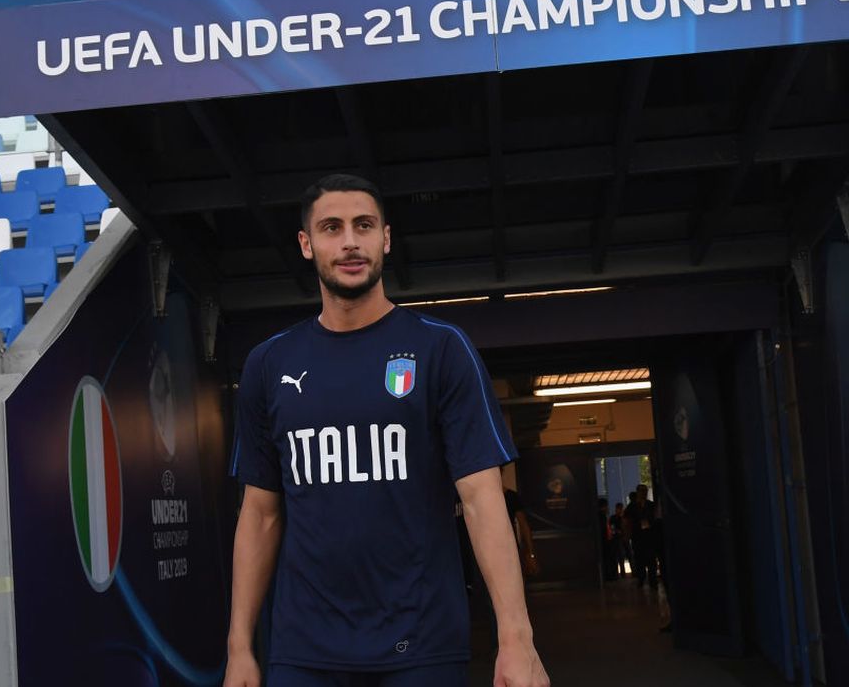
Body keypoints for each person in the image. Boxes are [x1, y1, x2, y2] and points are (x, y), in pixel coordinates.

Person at [225, 174, 549, 687]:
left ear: (386, 238)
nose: (350, 241)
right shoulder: (269, 365)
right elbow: (261, 514)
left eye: (364, 225)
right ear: (307, 245)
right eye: (332, 228)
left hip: (421, 646)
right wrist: (239, 647)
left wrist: (516, 639)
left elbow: (482, 500)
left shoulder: (440, 349)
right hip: (303, 650)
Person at [625, 484, 657, 588]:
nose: (644, 493)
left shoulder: (651, 505)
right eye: (642, 491)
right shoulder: (632, 506)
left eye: (645, 491)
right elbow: (627, 520)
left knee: (651, 558)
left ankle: (653, 579)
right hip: (637, 536)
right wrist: (628, 533)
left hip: (649, 536)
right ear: (638, 492)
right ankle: (641, 578)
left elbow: (656, 518)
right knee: (639, 558)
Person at [609, 502, 627, 578]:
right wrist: (617, 531)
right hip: (618, 539)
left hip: (619, 538)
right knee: (620, 556)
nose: (620, 510)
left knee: (619, 556)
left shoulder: (614, 518)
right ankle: (621, 573)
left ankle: (619, 573)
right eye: (619, 509)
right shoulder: (617, 518)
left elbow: (612, 528)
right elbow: (612, 528)